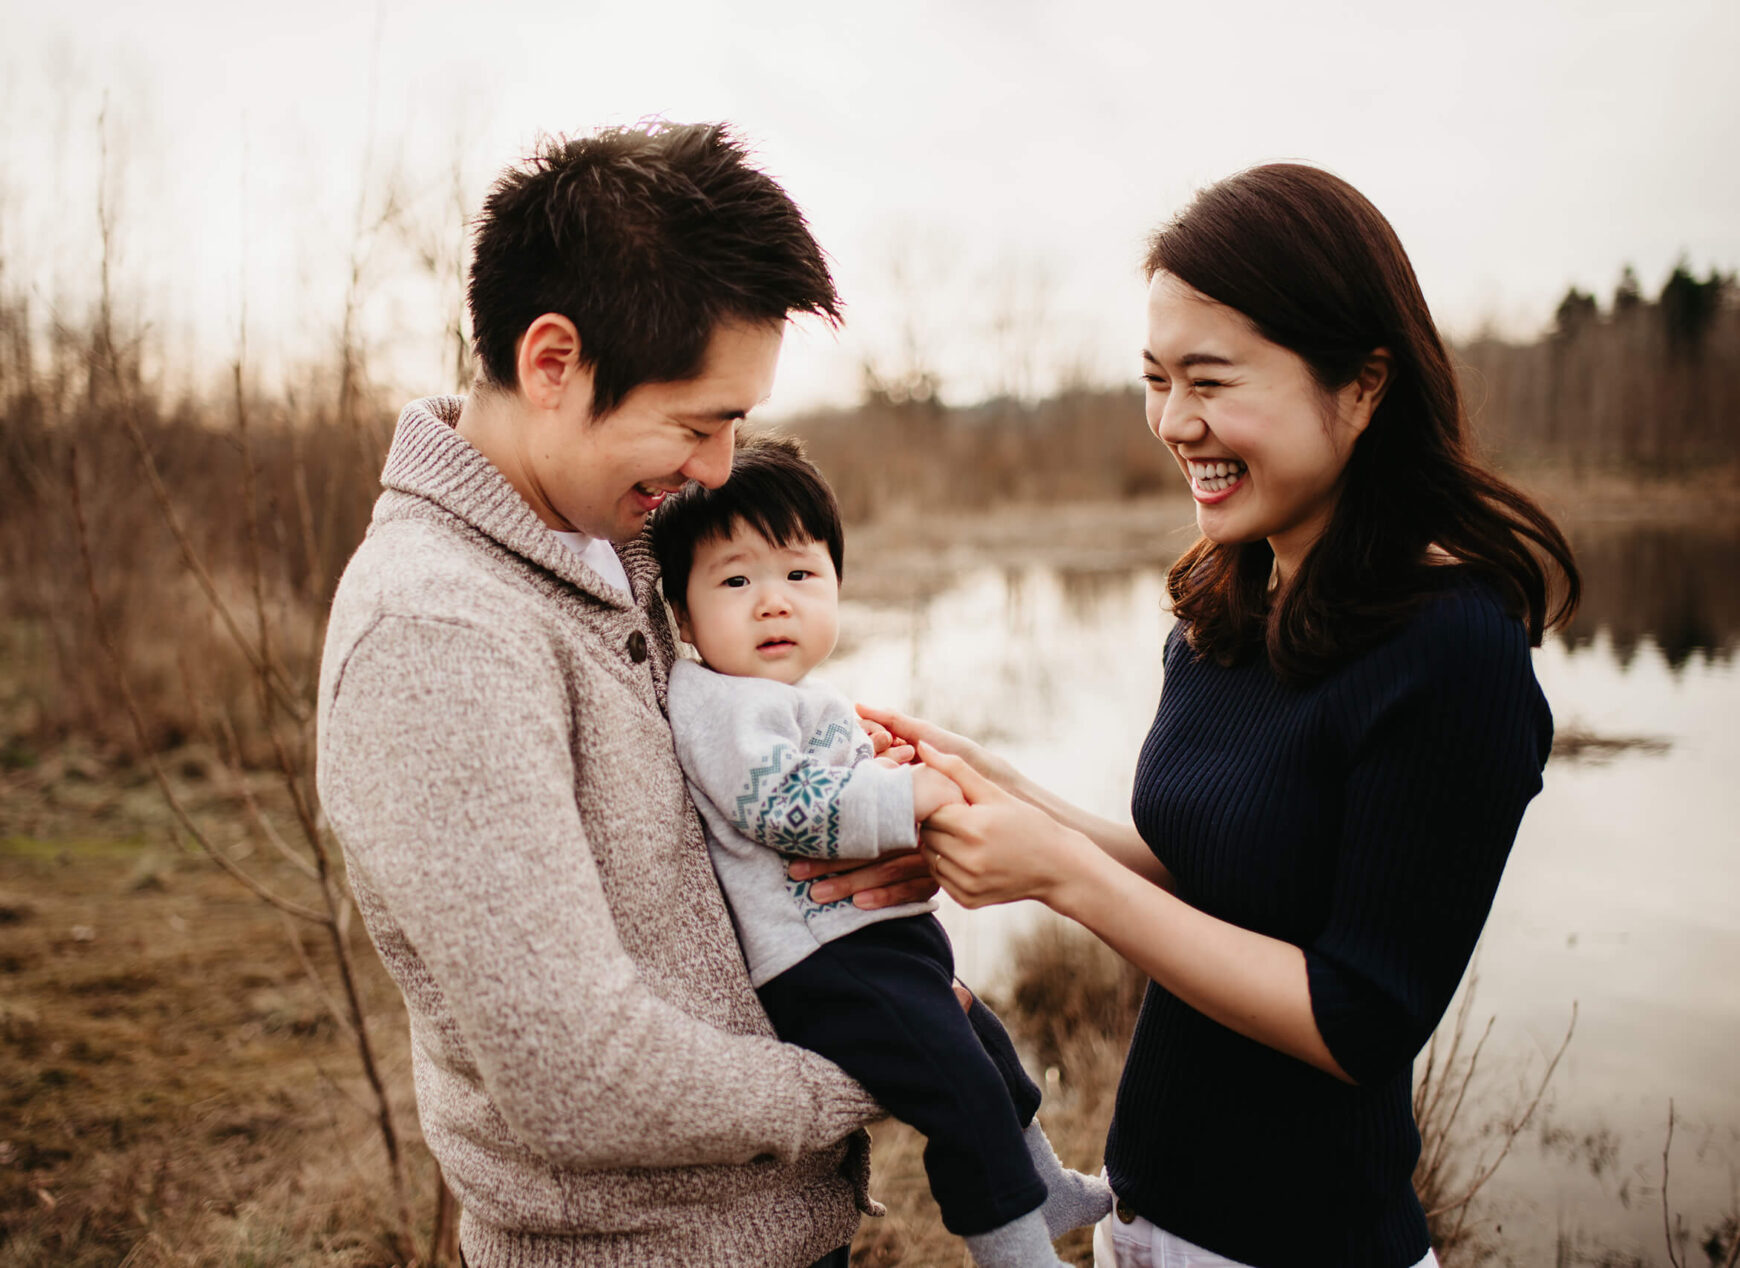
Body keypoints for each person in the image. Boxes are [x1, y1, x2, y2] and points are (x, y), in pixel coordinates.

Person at [834, 164, 1582, 1268]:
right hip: (1146, 1220)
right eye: (1154, 378)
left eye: (1211, 380)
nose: (1175, 422)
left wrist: (1060, 874)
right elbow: (1215, 880)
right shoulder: (1226, 607)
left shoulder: (1452, 650)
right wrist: (1001, 788)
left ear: (1364, 384)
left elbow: (1356, 1020)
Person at [315, 121, 934, 1268]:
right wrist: (889, 1061)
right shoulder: (438, 633)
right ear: (553, 362)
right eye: (697, 421)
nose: (716, 465)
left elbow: (692, 837)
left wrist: (850, 836)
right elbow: (580, 1074)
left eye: (736, 423)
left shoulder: (612, 551)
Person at [647, 435, 1116, 1268]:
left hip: (869, 944)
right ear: (682, 613)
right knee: (957, 1086)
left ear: (836, 584)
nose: (772, 603)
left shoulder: (791, 697)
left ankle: (1042, 1185)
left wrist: (883, 768)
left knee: (985, 1043)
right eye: (735, 580)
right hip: (821, 963)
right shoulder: (715, 703)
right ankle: (1011, 1248)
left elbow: (827, 782)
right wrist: (905, 798)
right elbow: (784, 806)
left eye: (799, 574)